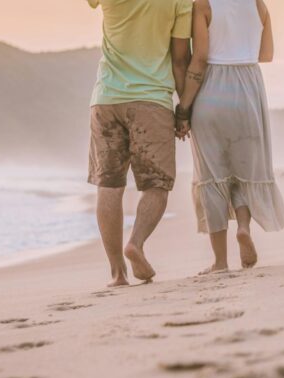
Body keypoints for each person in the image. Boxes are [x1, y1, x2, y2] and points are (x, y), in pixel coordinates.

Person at [175, 0, 284, 274]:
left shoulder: (202, 5)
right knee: (242, 171)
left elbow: (199, 58)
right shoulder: (258, 4)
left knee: (212, 175)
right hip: (248, 89)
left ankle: (220, 262)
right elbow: (267, 53)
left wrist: (184, 108)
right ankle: (245, 228)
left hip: (212, 88)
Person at [86, 0, 192, 286]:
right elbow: (180, 59)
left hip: (106, 99)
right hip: (151, 102)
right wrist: (184, 108)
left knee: (108, 185)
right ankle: (136, 243)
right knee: (157, 185)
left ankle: (117, 272)